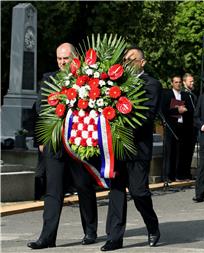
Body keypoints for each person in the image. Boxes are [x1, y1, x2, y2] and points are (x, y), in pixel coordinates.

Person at [28, 43, 98, 249]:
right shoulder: (48, 79)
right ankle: (47, 237)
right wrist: (40, 140)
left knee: (84, 187)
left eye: (65, 58)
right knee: (53, 191)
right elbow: (39, 112)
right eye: (59, 58)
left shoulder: (88, 79)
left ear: (75, 58)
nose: (61, 62)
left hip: (79, 143)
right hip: (54, 144)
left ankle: (90, 231)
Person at [101, 47, 161, 251]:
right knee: (116, 192)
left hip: (138, 147)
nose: (127, 63)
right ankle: (114, 238)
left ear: (142, 63)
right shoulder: (114, 83)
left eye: (132, 60)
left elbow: (147, 116)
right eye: (125, 59)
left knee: (138, 192)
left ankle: (152, 226)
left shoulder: (152, 84)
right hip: (117, 147)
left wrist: (119, 121)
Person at [161, 75, 193, 182]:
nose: (178, 84)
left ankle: (179, 174)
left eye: (179, 82)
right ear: (172, 83)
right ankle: (167, 175)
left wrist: (185, 110)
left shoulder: (185, 95)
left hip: (182, 127)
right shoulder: (167, 95)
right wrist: (177, 111)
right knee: (170, 151)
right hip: (171, 127)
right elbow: (163, 110)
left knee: (180, 152)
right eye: (175, 82)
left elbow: (190, 109)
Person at [182, 73, 198, 179]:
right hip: (184, 127)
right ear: (184, 82)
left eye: (193, 81)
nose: (192, 83)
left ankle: (187, 172)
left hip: (193, 127)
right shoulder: (181, 94)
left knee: (190, 151)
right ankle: (182, 173)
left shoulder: (194, 95)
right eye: (190, 81)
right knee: (184, 151)